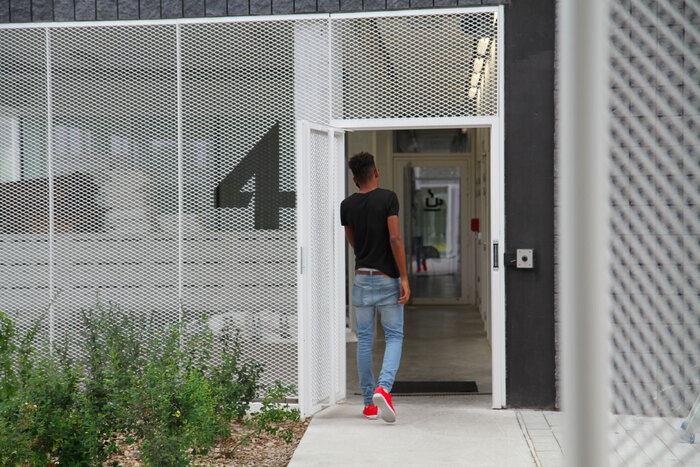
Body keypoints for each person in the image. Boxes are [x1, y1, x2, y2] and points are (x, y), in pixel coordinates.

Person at [340, 152, 410, 423]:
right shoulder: (389, 198)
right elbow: (395, 238)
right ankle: (384, 388)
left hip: (361, 278)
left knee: (365, 340)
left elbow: (354, 242)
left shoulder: (347, 205)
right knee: (394, 336)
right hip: (386, 278)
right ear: (376, 172)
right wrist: (403, 277)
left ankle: (369, 404)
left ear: (355, 180)